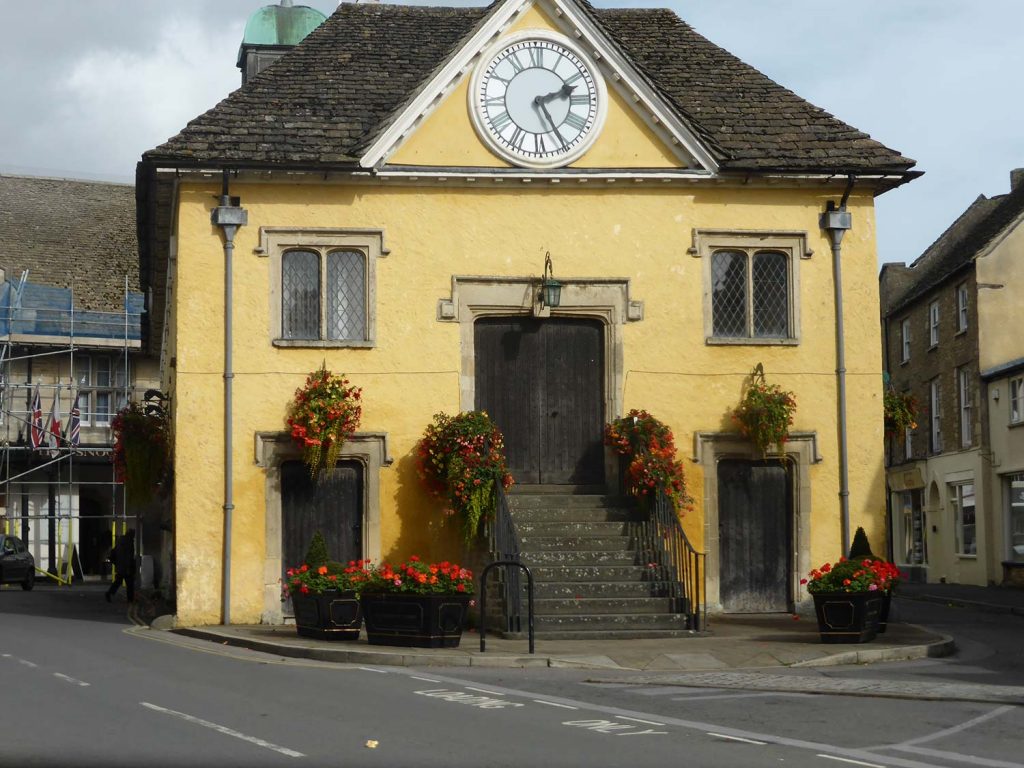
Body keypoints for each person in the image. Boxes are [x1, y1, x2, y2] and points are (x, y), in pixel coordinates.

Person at [105, 529, 136, 603]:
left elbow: (116, 551)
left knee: (118, 581)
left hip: (120, 565)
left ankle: (109, 593)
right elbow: (128, 556)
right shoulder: (129, 542)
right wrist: (129, 567)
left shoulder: (120, 540)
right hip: (125, 567)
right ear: (131, 535)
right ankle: (130, 599)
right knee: (129, 584)